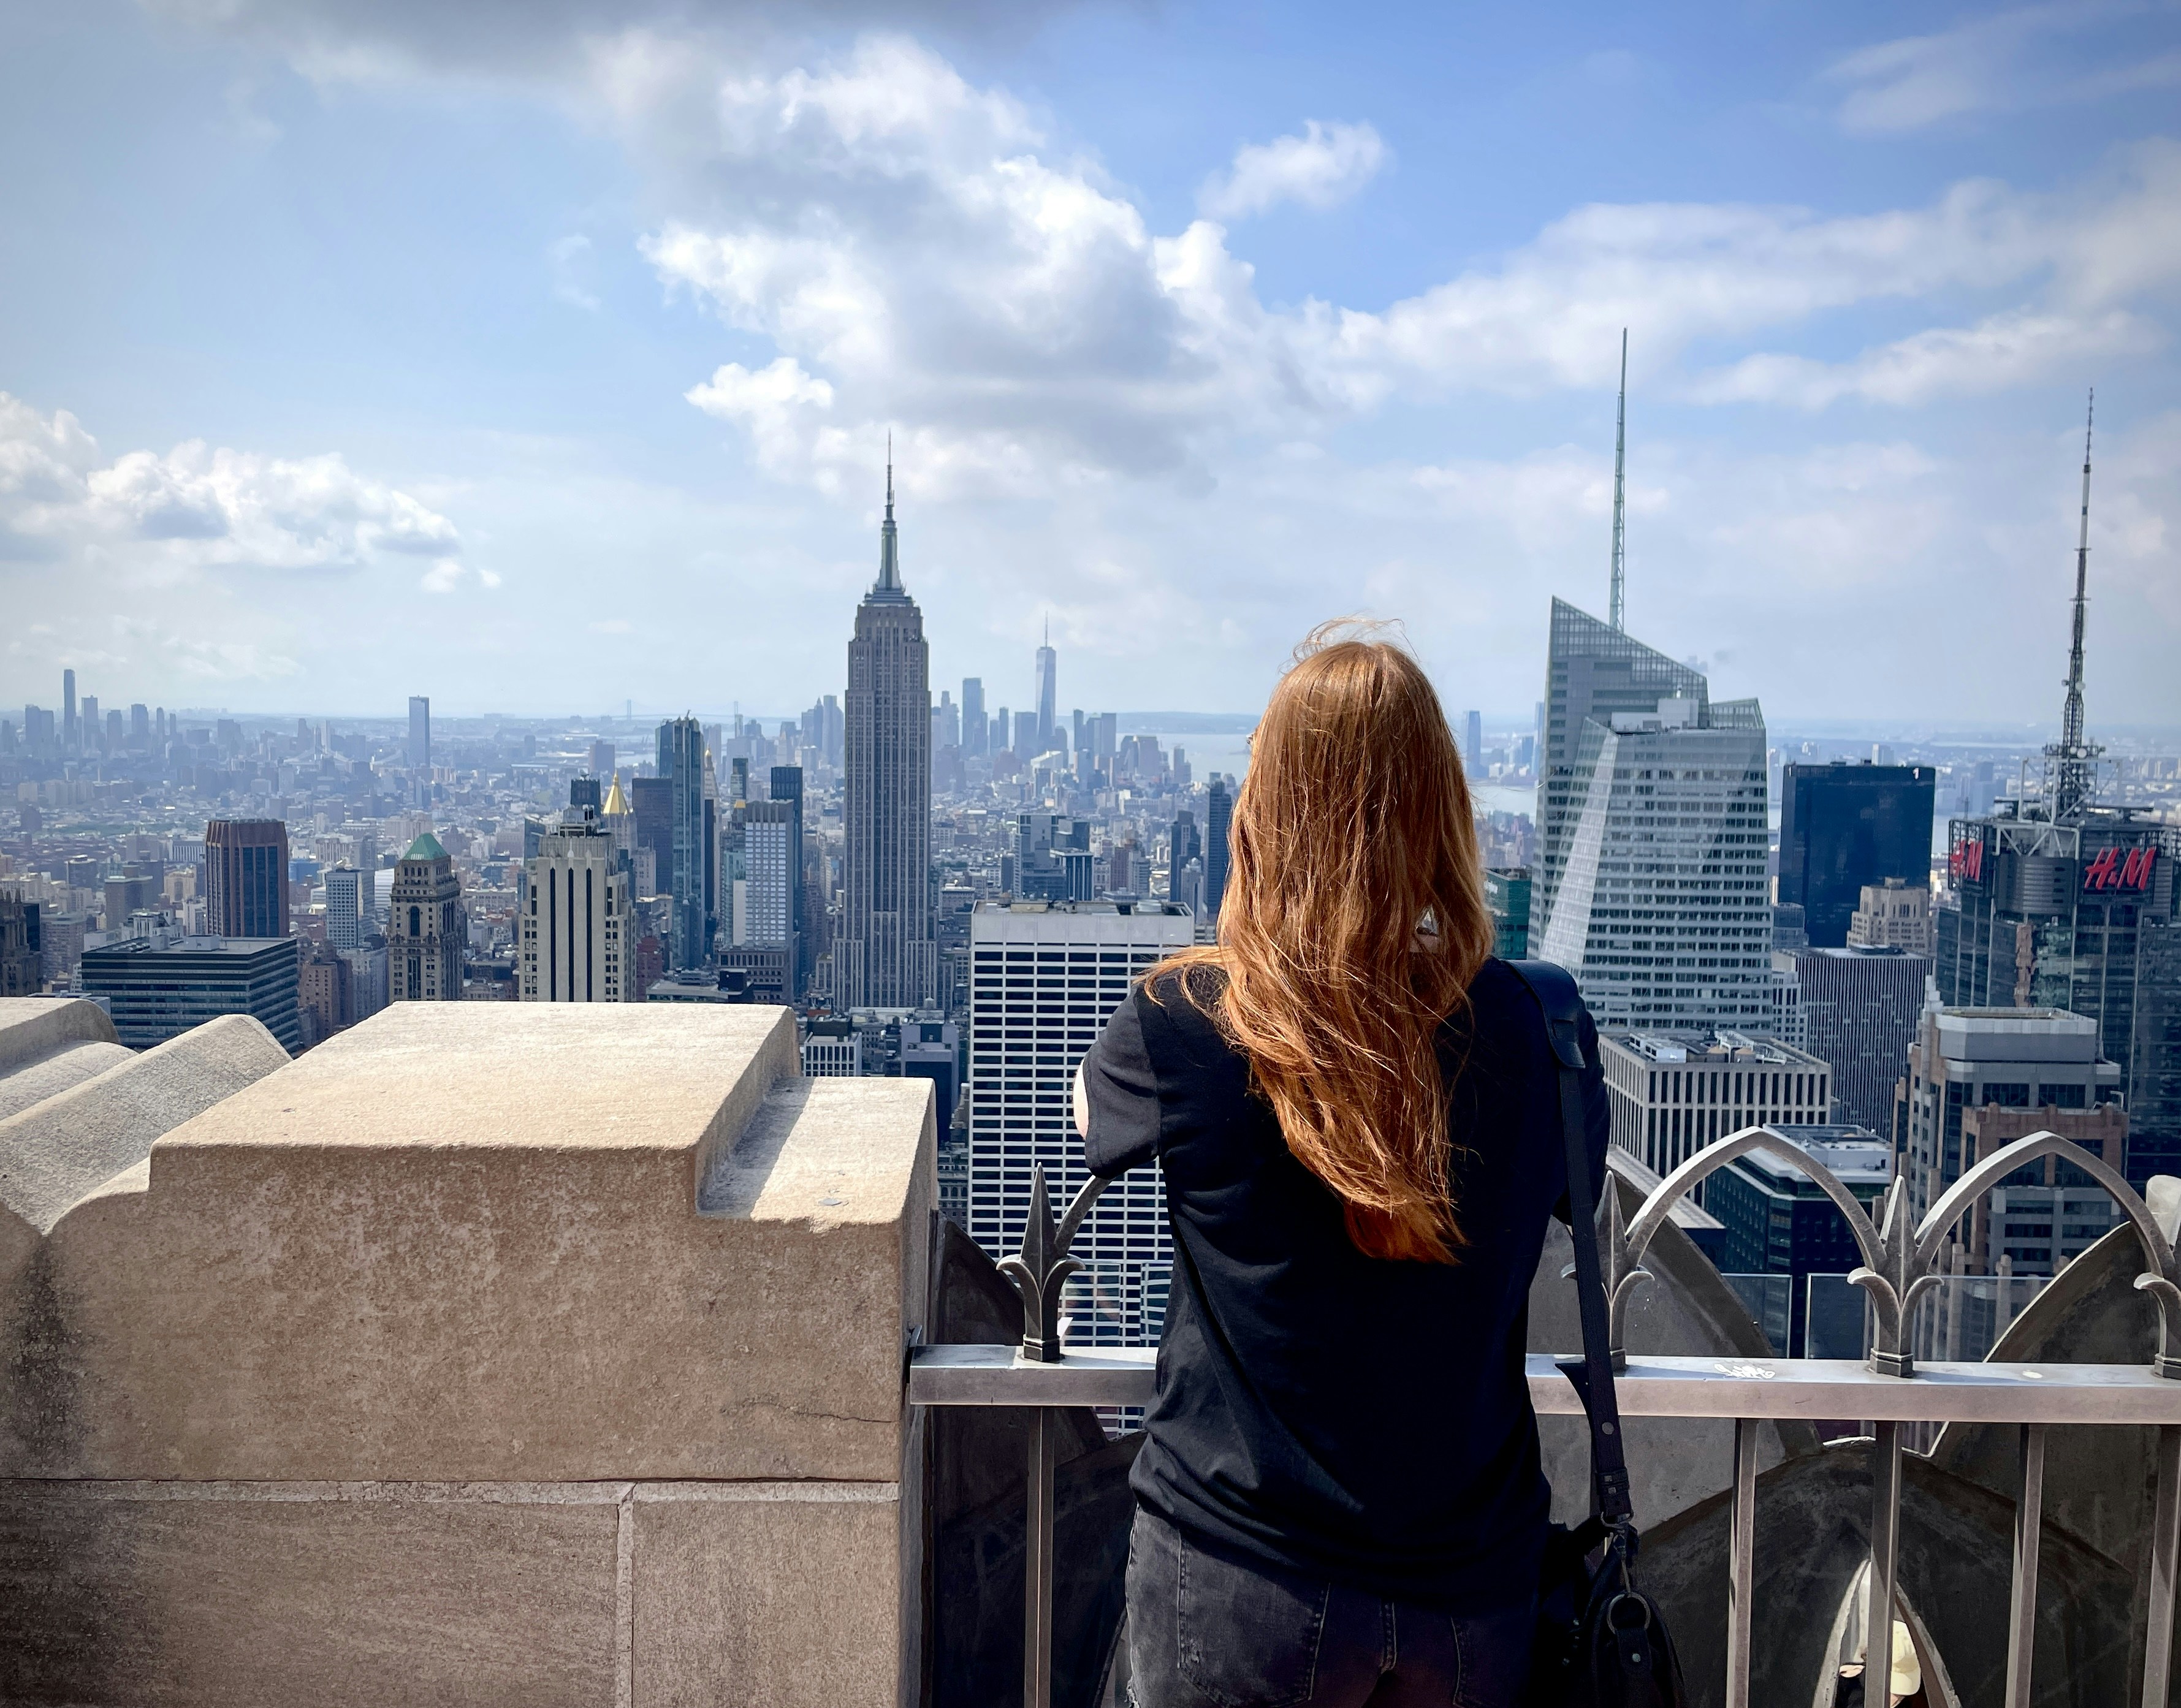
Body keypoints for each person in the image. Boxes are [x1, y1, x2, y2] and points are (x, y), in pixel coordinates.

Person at [1073, 621, 1608, 1708]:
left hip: (1236, 1572)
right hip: (1469, 1594)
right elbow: (1573, 1192)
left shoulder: (1184, 1022)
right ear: (1439, 813)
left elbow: (1090, 1120)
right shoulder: (1536, 1029)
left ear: (1266, 809)